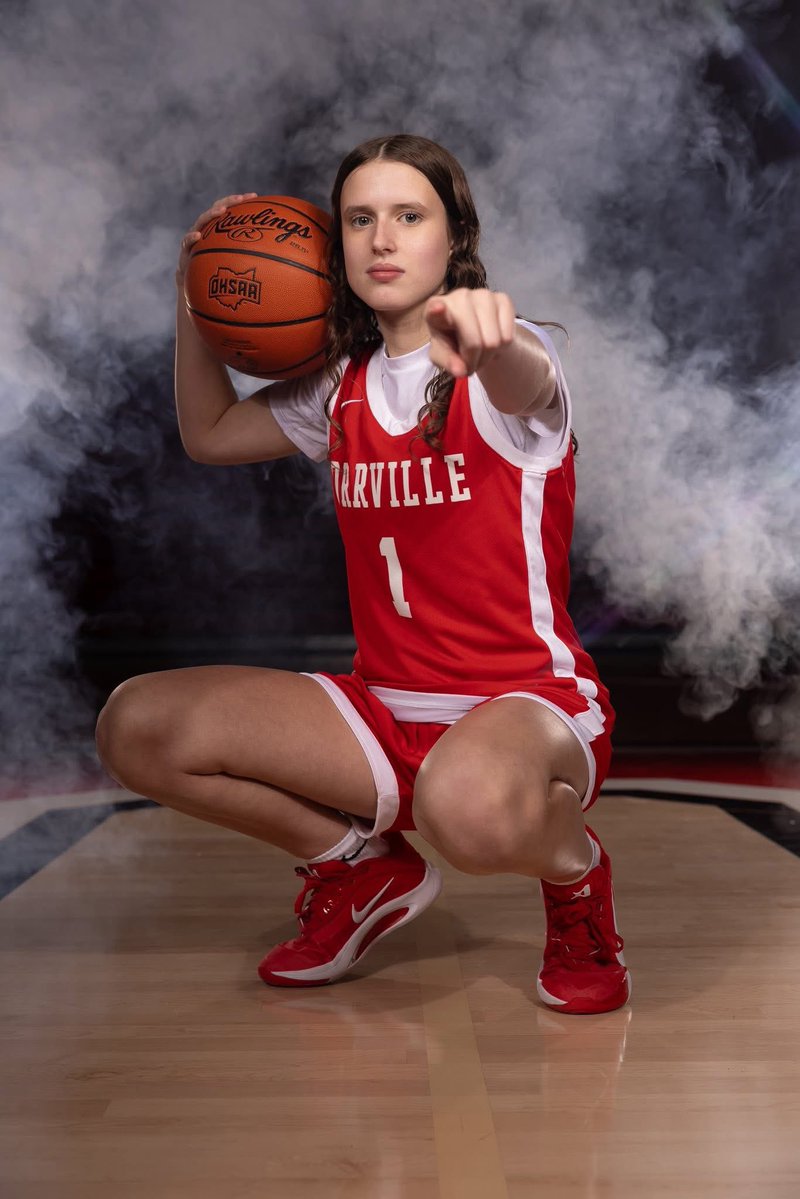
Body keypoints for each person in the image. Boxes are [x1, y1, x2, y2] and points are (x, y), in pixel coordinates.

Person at [95, 133, 630, 1015]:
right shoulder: (338, 385)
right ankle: (358, 868)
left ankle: (578, 879)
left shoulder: (509, 354)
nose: (382, 238)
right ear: (335, 244)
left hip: (528, 707)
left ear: (453, 236)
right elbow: (210, 434)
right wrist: (196, 298)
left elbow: (526, 381)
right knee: (139, 725)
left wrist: (492, 341)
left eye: (409, 216)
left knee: (466, 805)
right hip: (384, 711)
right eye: (359, 219)